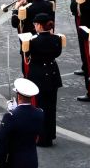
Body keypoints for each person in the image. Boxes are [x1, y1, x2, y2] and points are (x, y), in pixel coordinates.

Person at [26, 13, 64, 146]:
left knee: (39, 106)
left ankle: (41, 137)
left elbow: (26, 55)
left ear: (40, 26)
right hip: (52, 73)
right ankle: (50, 134)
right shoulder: (56, 39)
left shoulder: (33, 41)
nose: (34, 27)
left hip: (39, 75)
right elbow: (57, 53)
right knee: (51, 107)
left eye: (36, 24)